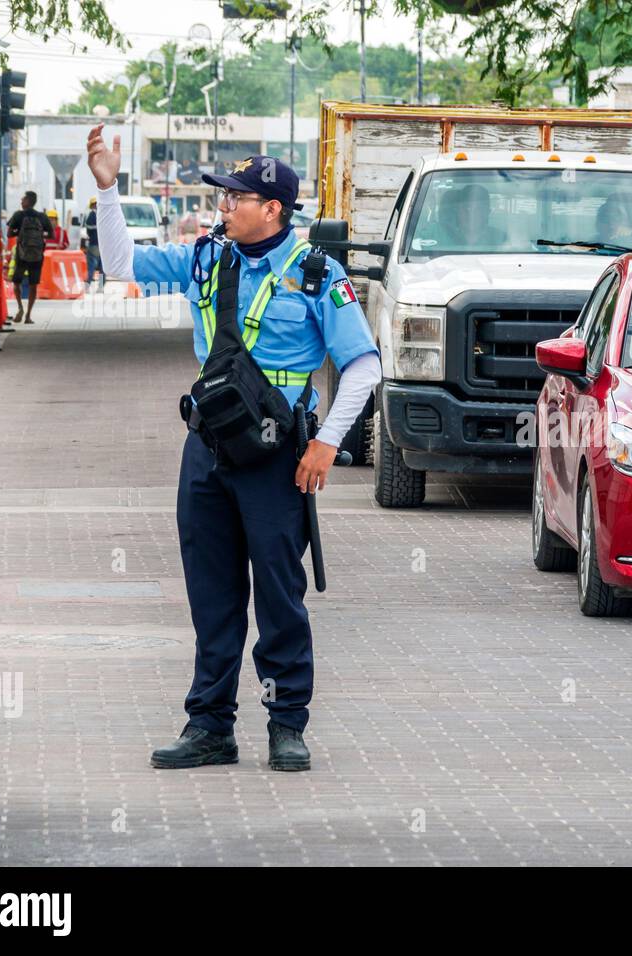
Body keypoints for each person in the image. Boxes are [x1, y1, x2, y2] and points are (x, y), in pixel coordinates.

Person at [87, 125, 382, 772]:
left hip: (280, 456)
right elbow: (122, 266)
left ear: (271, 208)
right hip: (209, 449)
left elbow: (363, 366)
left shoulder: (315, 275)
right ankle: (210, 726)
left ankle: (286, 725)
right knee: (213, 595)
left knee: (279, 595)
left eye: (235, 198)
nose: (224, 205)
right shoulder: (206, 258)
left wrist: (328, 445)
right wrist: (107, 189)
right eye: (223, 197)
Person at [7, 191, 52, 324]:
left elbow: (9, 234)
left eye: (23, 199)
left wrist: (19, 232)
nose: (21, 201)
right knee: (33, 285)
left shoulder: (18, 215)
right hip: (37, 255)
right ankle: (28, 315)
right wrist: (39, 236)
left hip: (22, 254)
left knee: (17, 282)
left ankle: (20, 307)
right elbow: (51, 234)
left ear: (28, 201)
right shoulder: (42, 217)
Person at [82, 197, 103, 289]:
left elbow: (88, 231)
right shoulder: (103, 215)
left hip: (94, 244)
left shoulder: (91, 216)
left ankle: (88, 285)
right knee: (102, 268)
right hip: (102, 246)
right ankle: (101, 286)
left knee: (91, 266)